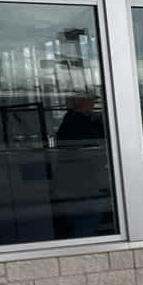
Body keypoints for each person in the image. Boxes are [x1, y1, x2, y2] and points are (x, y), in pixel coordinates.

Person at [54, 93, 108, 237]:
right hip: (81, 186)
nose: (93, 105)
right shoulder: (78, 123)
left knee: (77, 223)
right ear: (81, 103)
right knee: (85, 224)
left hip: (72, 185)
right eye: (91, 101)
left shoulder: (69, 122)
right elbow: (96, 146)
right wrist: (100, 121)